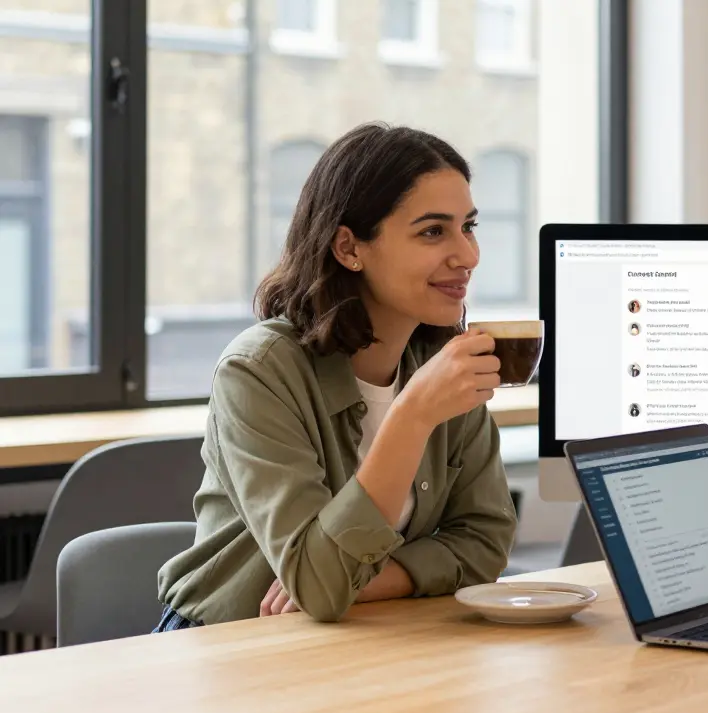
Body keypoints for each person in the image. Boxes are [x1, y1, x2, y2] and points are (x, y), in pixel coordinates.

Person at [154, 123, 518, 629]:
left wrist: (374, 581)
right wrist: (411, 416)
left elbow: (486, 542)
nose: (468, 256)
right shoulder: (257, 373)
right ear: (349, 247)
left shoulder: (441, 362)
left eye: (469, 227)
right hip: (229, 646)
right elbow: (321, 585)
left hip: (375, 634)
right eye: (433, 231)